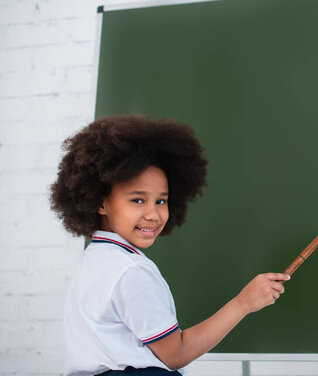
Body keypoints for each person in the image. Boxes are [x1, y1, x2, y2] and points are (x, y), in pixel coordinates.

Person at [50, 115, 290, 375]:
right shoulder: (130, 271)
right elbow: (175, 354)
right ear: (100, 202)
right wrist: (244, 302)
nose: (153, 214)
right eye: (138, 200)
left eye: (161, 201)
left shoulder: (96, 258)